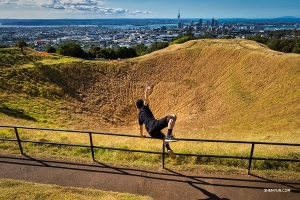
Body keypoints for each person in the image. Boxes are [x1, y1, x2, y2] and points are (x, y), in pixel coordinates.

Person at [136, 81, 178, 159]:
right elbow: (146, 98)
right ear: (143, 105)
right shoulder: (144, 107)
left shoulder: (139, 116)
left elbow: (141, 128)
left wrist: (142, 136)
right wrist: (147, 89)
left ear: (137, 107)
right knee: (172, 116)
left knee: (163, 138)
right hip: (153, 124)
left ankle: (168, 149)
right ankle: (169, 136)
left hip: (150, 132)